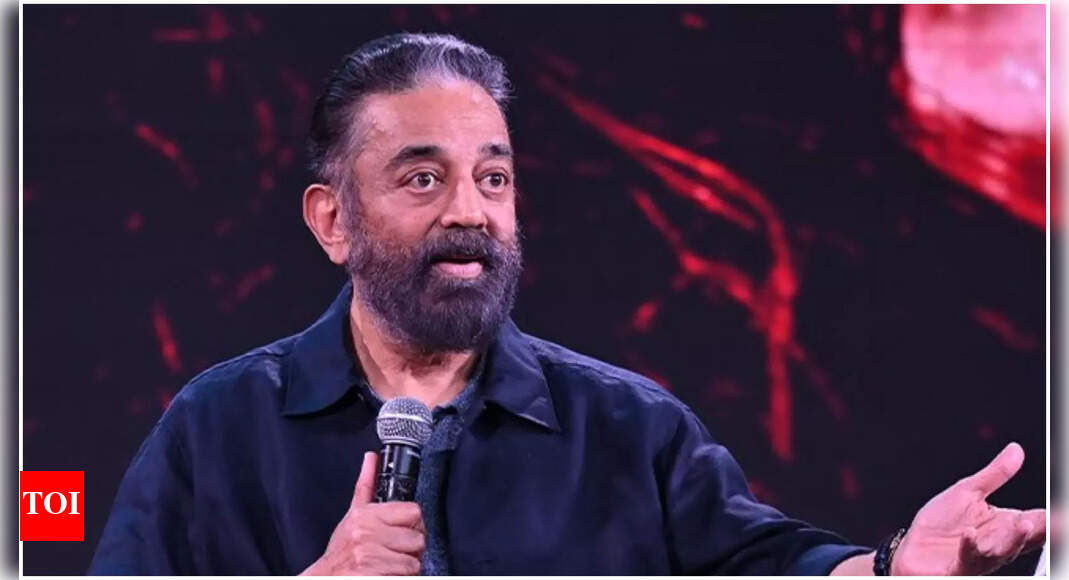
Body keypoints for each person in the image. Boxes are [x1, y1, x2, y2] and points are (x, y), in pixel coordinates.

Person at [89, 33, 1046, 576]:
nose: (469, 211)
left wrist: (893, 570)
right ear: (332, 220)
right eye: (421, 179)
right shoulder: (220, 426)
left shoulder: (627, 428)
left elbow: (764, 566)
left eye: (492, 178)